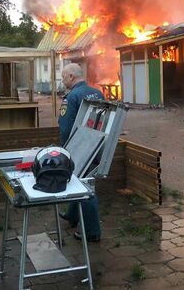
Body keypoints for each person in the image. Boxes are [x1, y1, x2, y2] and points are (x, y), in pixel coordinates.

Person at [58, 63, 103, 242]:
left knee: (85, 188)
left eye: (63, 77)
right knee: (77, 181)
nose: (62, 81)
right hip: (96, 144)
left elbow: (66, 127)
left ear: (71, 77)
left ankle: (92, 232)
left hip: (78, 147)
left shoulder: (72, 97)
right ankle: (72, 215)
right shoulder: (97, 93)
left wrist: (64, 150)